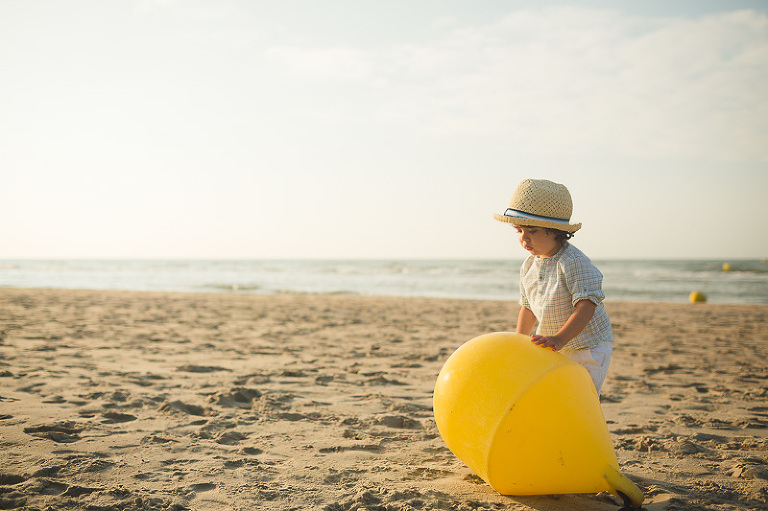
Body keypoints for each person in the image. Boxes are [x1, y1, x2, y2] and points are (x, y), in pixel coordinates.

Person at [494, 178, 614, 395]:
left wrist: (560, 338)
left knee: (580, 397)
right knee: (552, 394)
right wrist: (519, 342)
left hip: (588, 347)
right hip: (552, 344)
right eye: (519, 230)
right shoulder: (529, 265)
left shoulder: (573, 262)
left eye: (532, 231)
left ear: (555, 231)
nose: (524, 238)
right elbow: (528, 307)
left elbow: (586, 305)